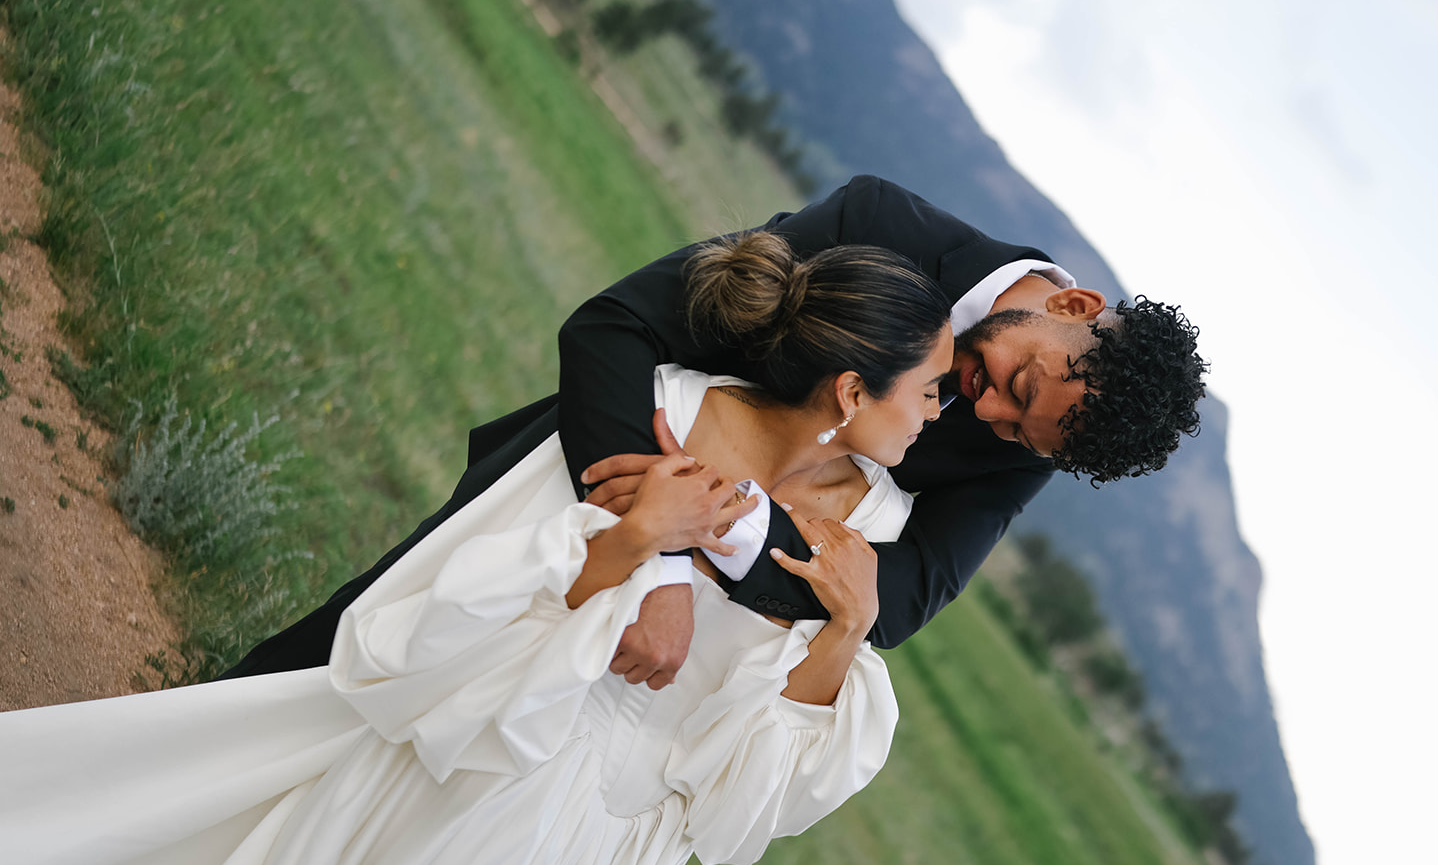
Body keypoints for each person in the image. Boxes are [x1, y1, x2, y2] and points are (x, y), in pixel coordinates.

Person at [0, 233, 952, 865]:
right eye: (930, 388)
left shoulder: (876, 529)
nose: (940, 411)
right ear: (852, 388)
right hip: (478, 766)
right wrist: (636, 545)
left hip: (603, 858)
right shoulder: (657, 410)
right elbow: (460, 614)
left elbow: (755, 794)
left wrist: (847, 628)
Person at [224, 174, 1206, 688]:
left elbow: (893, 599)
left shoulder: (1038, 425)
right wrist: (656, 555)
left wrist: (720, 543)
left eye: (1022, 434)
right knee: (337, 663)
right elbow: (617, 328)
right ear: (1071, 302)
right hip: (559, 496)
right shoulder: (879, 223)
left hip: (668, 652)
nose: (987, 416)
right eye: (1015, 382)